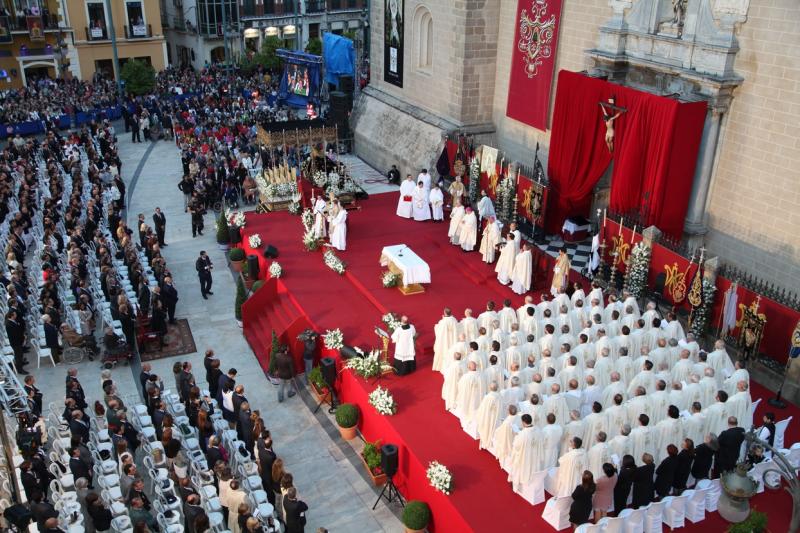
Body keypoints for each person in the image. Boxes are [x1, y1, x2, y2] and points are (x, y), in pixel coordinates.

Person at [432, 308, 459, 373]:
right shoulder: (454, 320)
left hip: (445, 341)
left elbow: (438, 331)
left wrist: (436, 326)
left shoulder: (443, 322)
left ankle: (441, 366)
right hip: (453, 340)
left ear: (444, 313)